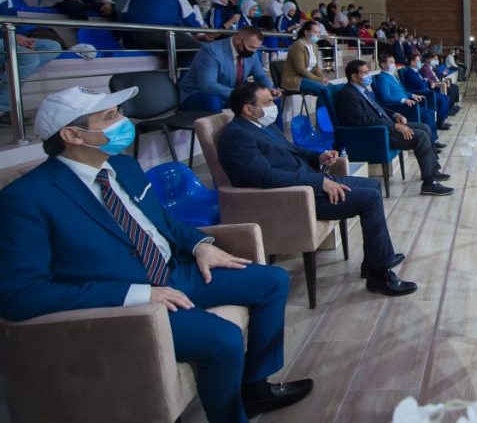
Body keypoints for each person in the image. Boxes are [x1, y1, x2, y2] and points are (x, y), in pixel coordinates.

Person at [0, 85, 314, 421]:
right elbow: (21, 295)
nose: (123, 121)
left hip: (176, 270)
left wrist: (200, 245)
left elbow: (163, 220)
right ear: (73, 135)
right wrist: (138, 294)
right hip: (131, 302)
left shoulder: (124, 166)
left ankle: (255, 389)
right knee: (223, 338)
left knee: (273, 281)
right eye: (110, 116)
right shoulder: (26, 199)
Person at [218, 83, 415, 296]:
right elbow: (266, 177)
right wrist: (319, 182)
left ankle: (373, 261)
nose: (273, 106)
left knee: (373, 185)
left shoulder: (262, 126)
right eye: (267, 103)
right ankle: (379, 275)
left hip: (309, 180)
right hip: (295, 197)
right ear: (248, 109)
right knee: (369, 199)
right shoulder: (237, 136)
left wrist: (318, 157)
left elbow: (292, 150)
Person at [334, 60, 453, 196]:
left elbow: (378, 108)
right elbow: (362, 121)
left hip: (386, 127)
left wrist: (395, 114)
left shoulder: (362, 90)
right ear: (354, 76)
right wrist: (395, 126)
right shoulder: (347, 95)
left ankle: (432, 171)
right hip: (376, 135)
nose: (369, 75)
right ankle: (429, 183)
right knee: (421, 137)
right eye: (365, 73)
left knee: (424, 127)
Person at [0, 0, 63, 124]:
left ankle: (6, 73)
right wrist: (13, 38)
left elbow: (11, 18)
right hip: (4, 37)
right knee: (28, 58)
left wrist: (21, 37)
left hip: (8, 35)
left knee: (52, 47)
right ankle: (4, 108)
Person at [178, 27, 280, 112]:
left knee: (270, 99)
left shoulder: (251, 52)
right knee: (214, 101)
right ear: (238, 40)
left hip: (232, 93)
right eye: (251, 47)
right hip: (197, 94)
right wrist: (242, 95)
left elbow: (260, 76)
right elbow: (208, 86)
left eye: (256, 48)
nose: (254, 51)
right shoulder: (211, 51)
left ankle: (275, 131)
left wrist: (269, 90)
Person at [121, 0, 208, 56]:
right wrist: (200, 34)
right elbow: (189, 19)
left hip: (137, 37)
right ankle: (180, 69)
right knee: (200, 48)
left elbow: (124, 17)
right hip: (165, 36)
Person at [373, 54, 439, 142]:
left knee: (430, 113)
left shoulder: (391, 75)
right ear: (383, 65)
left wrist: (413, 95)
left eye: (394, 62)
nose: (394, 64)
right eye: (391, 62)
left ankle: (433, 139)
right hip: (401, 106)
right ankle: (431, 141)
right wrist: (403, 100)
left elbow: (402, 91)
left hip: (409, 103)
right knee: (427, 115)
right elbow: (385, 97)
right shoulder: (382, 78)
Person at [282, 21, 335, 124]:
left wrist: (322, 77)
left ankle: (328, 120)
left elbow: (316, 66)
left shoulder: (314, 45)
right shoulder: (298, 45)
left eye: (319, 32)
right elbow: (300, 69)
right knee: (324, 90)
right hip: (294, 79)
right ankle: (321, 124)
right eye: (315, 32)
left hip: (306, 77)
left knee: (331, 87)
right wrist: (318, 79)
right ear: (306, 32)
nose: (318, 34)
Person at [401, 53, 450, 130]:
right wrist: (425, 81)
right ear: (412, 62)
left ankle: (442, 119)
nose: (420, 62)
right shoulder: (409, 72)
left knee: (446, 97)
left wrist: (425, 81)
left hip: (426, 90)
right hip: (421, 93)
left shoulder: (416, 71)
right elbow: (421, 85)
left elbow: (425, 82)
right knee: (442, 100)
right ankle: (439, 123)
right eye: (418, 61)